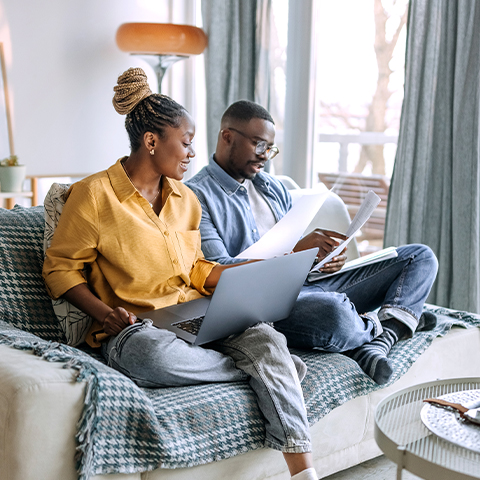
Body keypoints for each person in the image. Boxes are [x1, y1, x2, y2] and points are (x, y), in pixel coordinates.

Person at [42, 69, 319, 480]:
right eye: (186, 143)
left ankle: (303, 472)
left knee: (267, 336)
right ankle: (269, 368)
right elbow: (59, 269)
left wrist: (238, 278)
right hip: (137, 328)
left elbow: (192, 267)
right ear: (151, 141)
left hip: (192, 312)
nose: (192, 154)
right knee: (151, 356)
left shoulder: (185, 199)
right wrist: (104, 315)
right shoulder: (94, 195)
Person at [185, 100, 439, 386]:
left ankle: (377, 339)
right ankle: (396, 323)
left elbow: (297, 256)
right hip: (262, 306)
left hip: (309, 286)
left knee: (420, 257)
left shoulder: (273, 187)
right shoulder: (194, 197)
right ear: (227, 136)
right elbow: (219, 272)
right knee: (333, 312)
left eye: (271, 148)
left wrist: (320, 260)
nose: (265, 156)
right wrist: (294, 253)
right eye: (259, 145)